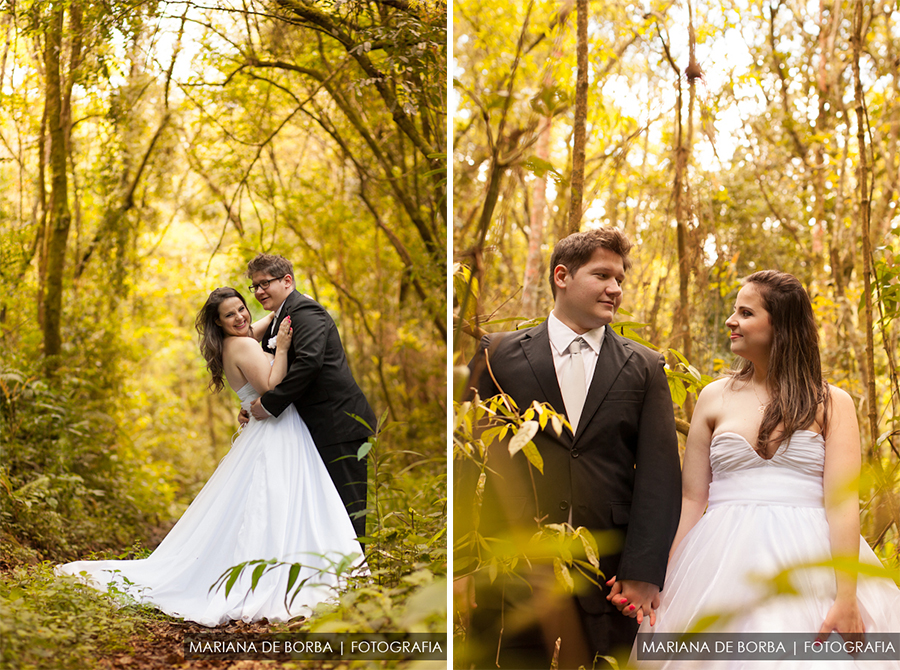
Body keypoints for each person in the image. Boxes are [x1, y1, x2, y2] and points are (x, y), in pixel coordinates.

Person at [622, 270, 900, 668]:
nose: (731, 321)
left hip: (812, 556)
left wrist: (846, 596)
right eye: (734, 311)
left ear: (781, 325)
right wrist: (661, 576)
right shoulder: (713, 397)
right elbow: (691, 497)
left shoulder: (832, 402)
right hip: (715, 559)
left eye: (745, 313)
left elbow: (841, 503)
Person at [57, 288, 363, 626]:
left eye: (241, 309)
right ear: (218, 323)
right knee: (276, 499)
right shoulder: (243, 344)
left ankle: (281, 564)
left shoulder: (238, 339)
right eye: (230, 315)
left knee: (272, 500)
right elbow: (272, 385)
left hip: (272, 429)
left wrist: (278, 313)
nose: (240, 317)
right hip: (276, 430)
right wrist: (285, 347)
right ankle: (276, 573)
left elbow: (260, 324)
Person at [455, 227, 682, 669]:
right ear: (562, 275)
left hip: (610, 578)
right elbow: (464, 458)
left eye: (619, 279)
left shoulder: (645, 366)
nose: (615, 289)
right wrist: (463, 565)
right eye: (602, 276)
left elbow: (659, 478)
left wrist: (642, 573)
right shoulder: (497, 354)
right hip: (510, 569)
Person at [244, 254, 375, 540]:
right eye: (255, 286)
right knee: (324, 508)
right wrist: (250, 404)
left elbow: (309, 363)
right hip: (309, 427)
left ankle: (356, 578)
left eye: (265, 283)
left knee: (347, 505)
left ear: (287, 281)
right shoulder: (279, 318)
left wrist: (268, 404)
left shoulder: (305, 311)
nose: (259, 291)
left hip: (337, 423)